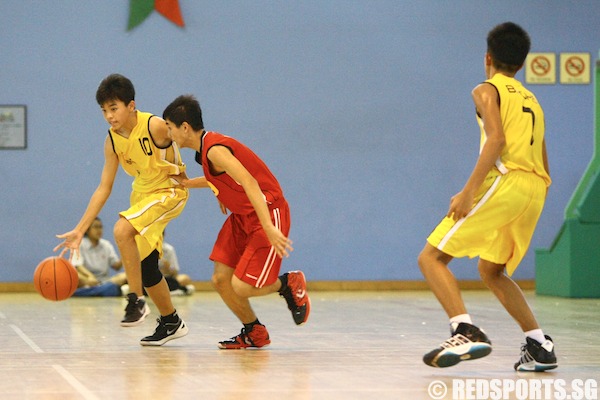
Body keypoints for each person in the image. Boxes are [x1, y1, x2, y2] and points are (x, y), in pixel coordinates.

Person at [417, 22, 557, 372]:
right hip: (536, 187)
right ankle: (539, 344)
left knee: (431, 258)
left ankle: (463, 329)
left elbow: (495, 140)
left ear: (488, 58)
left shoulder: (486, 89)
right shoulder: (533, 100)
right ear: (521, 65)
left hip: (508, 181)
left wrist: (468, 192)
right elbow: (542, 153)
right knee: (491, 270)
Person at [162, 94, 310, 349]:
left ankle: (288, 283)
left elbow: (250, 182)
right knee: (221, 280)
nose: (168, 133)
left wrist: (267, 227)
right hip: (242, 216)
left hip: (266, 212)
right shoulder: (205, 150)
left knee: (241, 287)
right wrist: (190, 184)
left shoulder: (215, 150)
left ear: (184, 127)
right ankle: (254, 331)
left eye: (169, 127)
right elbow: (223, 179)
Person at [54, 74, 189, 346]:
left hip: (169, 191)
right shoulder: (112, 141)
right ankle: (171, 320)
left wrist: (218, 182)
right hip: (142, 196)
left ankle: (135, 300)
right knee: (147, 266)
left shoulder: (155, 127)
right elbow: (104, 188)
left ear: (131, 105)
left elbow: (192, 138)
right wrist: (80, 230)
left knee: (121, 228)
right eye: (104, 110)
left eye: (113, 108)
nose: (108, 116)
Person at [72, 217, 127, 297]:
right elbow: (78, 266)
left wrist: (125, 251)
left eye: (100, 227)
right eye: (95, 227)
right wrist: (90, 277)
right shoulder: (80, 244)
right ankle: (104, 290)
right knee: (76, 276)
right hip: (87, 279)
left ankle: (92, 291)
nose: (99, 230)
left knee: (125, 276)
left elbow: (116, 266)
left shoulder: (106, 245)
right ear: (87, 230)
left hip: (104, 281)